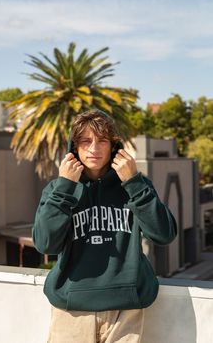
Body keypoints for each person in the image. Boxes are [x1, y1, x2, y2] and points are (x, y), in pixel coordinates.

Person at [33, 109, 177, 343]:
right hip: (72, 308)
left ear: (114, 146)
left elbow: (164, 234)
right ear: (74, 147)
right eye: (85, 141)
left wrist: (133, 183)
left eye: (102, 141)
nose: (94, 148)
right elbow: (45, 244)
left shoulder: (134, 184)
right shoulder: (59, 188)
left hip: (127, 307)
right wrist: (64, 188)